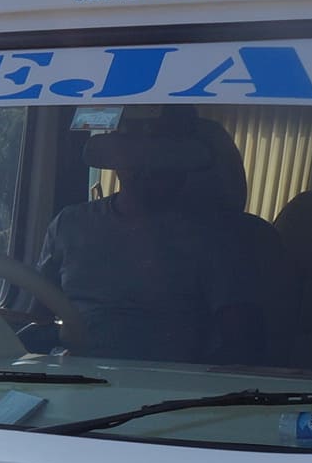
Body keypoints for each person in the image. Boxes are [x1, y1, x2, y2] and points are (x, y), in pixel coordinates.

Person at [31, 111, 289, 363]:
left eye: (161, 155)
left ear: (187, 163)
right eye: (133, 152)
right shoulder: (69, 223)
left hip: (166, 388)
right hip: (72, 379)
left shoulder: (215, 238)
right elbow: (37, 315)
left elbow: (242, 345)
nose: (145, 167)